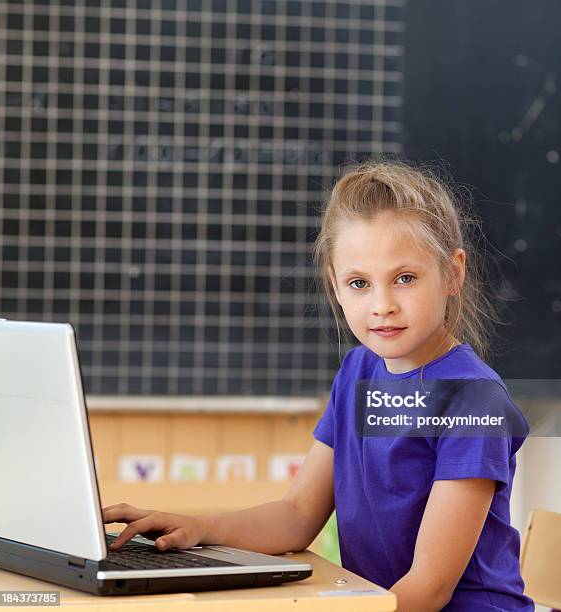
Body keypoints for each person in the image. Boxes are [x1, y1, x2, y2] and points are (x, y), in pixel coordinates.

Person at [103, 161, 534, 611]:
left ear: (452, 273)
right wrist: (195, 528)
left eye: (404, 278)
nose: (382, 305)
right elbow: (297, 516)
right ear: (336, 285)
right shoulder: (358, 372)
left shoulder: (474, 399)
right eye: (359, 283)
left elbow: (429, 587)